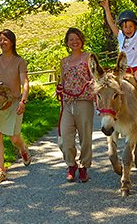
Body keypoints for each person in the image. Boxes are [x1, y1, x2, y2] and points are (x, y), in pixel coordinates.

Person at [0, 29, 31, 184]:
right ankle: (0, 170)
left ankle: (23, 149)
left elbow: (25, 83)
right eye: (0, 39)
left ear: (12, 41)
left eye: (5, 39)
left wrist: (23, 101)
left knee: (14, 137)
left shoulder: (20, 61)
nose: (2, 42)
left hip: (14, 103)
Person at [99, 0, 137, 111]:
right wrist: (106, 8)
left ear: (135, 26)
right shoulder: (120, 36)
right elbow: (111, 23)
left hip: (136, 67)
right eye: (125, 27)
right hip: (122, 69)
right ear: (121, 28)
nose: (128, 29)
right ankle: (103, 106)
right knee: (108, 83)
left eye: (131, 26)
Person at [57, 27, 94, 183]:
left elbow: (94, 76)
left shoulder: (88, 57)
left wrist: (92, 85)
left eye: (77, 38)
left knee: (85, 137)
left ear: (82, 40)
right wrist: (59, 89)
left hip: (84, 102)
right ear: (67, 42)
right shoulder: (64, 61)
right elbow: (62, 81)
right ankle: (70, 165)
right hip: (67, 103)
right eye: (71, 39)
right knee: (65, 137)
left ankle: (83, 166)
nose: (74, 42)